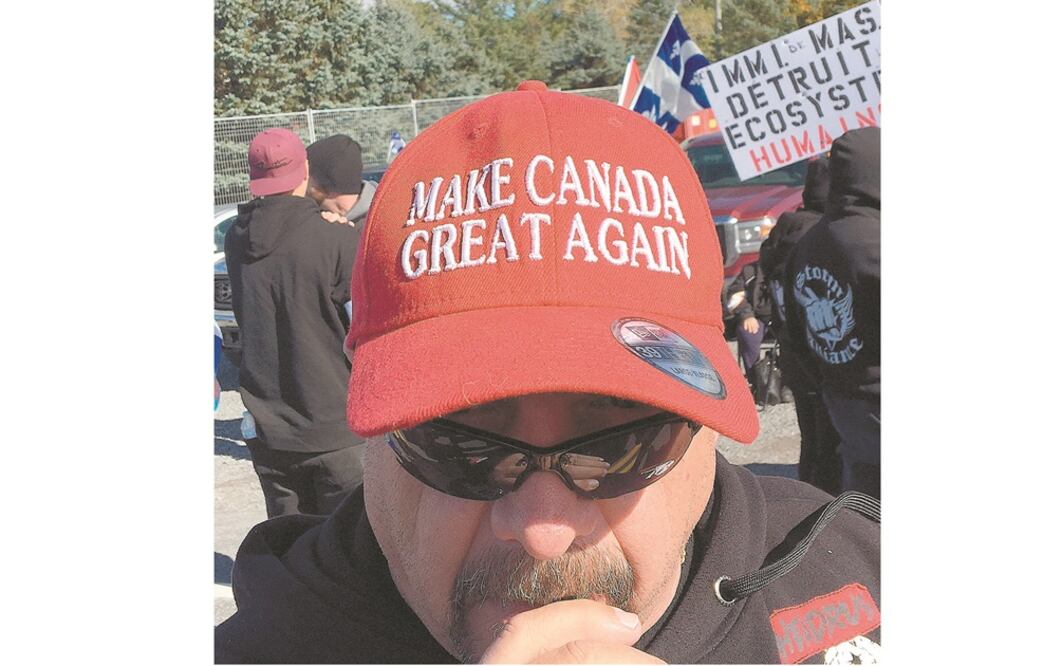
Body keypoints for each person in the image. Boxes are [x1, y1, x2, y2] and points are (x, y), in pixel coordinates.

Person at [216, 82, 880, 664]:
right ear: (375, 442)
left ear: (705, 437)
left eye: (624, 442)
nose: (542, 533)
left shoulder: (864, 579)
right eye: (459, 443)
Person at [224, 128, 366, 518]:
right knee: (348, 557)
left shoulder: (236, 240)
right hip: (336, 430)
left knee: (290, 552)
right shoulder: (337, 240)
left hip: (270, 432)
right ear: (305, 171)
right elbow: (365, 334)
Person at [784, 127, 881, 499]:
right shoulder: (875, 242)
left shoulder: (808, 243)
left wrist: (831, 377)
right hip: (877, 397)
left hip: (842, 399)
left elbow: (795, 334)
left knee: (865, 502)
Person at [759, 159, 842, 495]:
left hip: (790, 343)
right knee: (831, 437)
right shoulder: (824, 234)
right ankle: (825, 504)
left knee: (809, 432)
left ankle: (808, 495)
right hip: (822, 346)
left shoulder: (783, 230)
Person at [306, 134, 379, 229]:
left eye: (307, 176)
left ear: (325, 182)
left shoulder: (377, 227)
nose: (302, 182)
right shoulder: (321, 219)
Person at [722, 259, 772, 391]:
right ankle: (757, 382)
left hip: (784, 319)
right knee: (748, 332)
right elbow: (734, 296)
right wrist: (746, 315)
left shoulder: (788, 266)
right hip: (757, 318)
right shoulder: (749, 271)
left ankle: (788, 385)